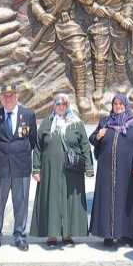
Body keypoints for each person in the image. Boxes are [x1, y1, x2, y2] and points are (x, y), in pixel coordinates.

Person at [30, 93, 94, 248]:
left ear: (68, 106)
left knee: (70, 200)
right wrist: (36, 169)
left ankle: (68, 234)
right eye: (58, 104)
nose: (61, 107)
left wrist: (89, 167)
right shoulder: (47, 123)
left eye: (64, 104)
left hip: (72, 171)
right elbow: (38, 148)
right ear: (54, 106)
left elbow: (85, 145)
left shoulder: (76, 123)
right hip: (50, 170)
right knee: (52, 200)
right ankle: (52, 235)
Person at [0, 84, 37, 252]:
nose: (8, 98)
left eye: (11, 95)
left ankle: (20, 236)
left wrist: (19, 153)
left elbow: (32, 140)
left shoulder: (28, 115)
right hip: (1, 169)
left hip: (21, 168)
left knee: (21, 204)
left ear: (17, 97)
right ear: (1, 98)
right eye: (5, 96)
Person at [89, 92, 133, 248]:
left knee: (126, 200)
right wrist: (98, 135)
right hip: (107, 170)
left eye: (121, 104)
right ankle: (108, 234)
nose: (118, 107)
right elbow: (92, 139)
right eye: (115, 104)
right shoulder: (105, 121)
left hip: (127, 170)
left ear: (126, 106)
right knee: (107, 201)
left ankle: (126, 234)